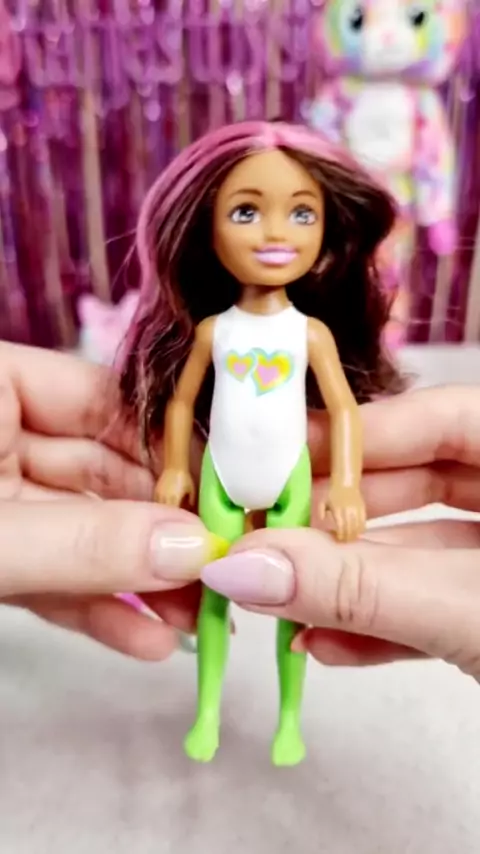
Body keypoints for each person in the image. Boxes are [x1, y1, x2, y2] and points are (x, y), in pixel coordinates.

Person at [2, 341, 480, 679]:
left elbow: (342, 410)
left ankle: (288, 718)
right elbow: (181, 403)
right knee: (211, 591)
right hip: (219, 472)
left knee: (296, 608)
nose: (273, 236)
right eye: (246, 221)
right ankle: (208, 709)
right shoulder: (216, 330)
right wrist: (174, 468)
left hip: (292, 473)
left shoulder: (309, 332)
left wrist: (347, 485)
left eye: (302, 225)